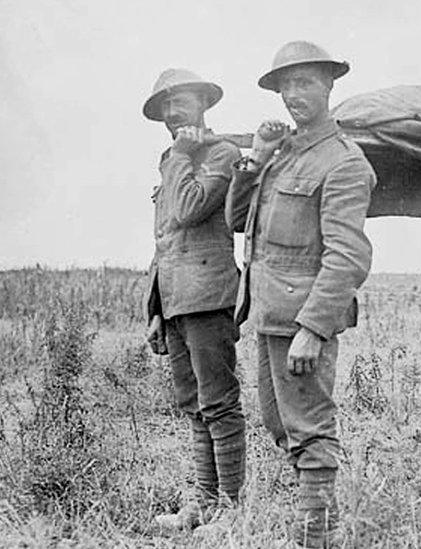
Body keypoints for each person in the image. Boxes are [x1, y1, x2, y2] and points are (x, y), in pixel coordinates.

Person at [225, 41, 375, 548]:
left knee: (309, 426)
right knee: (278, 420)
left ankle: (319, 534)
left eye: (305, 82)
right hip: (268, 312)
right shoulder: (282, 156)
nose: (293, 94)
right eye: (285, 85)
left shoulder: (344, 163)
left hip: (301, 320)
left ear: (329, 86)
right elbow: (237, 223)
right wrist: (256, 158)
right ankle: (314, 520)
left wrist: (313, 329)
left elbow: (347, 256)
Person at [141, 69, 245, 531]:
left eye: (179, 103)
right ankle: (202, 503)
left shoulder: (220, 153)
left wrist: (183, 154)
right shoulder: (173, 158)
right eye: (165, 106)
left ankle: (230, 508)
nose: (171, 113)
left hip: (208, 296)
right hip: (177, 300)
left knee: (219, 403)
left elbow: (188, 209)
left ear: (203, 103)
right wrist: (155, 310)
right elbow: (163, 240)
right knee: (193, 405)